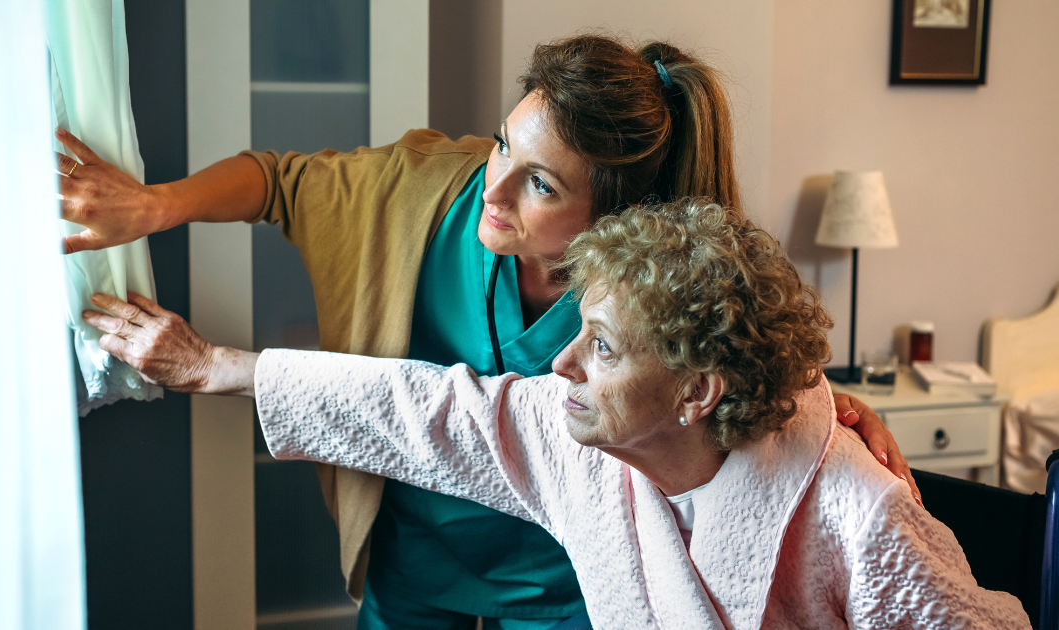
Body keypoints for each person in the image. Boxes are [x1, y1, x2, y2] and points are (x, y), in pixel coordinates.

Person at [64, 34, 920, 629]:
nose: (495, 190)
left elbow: (729, 365)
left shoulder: (661, 292)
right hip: (417, 550)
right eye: (503, 144)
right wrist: (152, 206)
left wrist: (820, 413)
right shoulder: (431, 194)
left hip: (571, 579)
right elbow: (283, 183)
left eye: (541, 184)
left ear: (612, 221)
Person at [89, 199, 1029, 629]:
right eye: (580, 332)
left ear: (700, 391)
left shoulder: (855, 512)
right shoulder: (585, 444)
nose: (565, 364)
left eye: (606, 349)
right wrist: (216, 367)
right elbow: (426, 410)